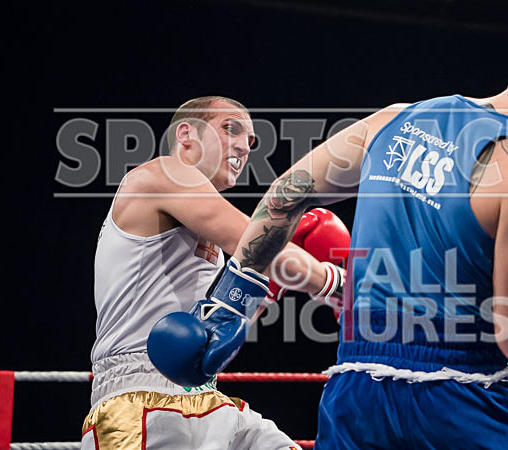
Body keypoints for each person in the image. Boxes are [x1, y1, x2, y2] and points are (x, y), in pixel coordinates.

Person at [195, 44, 508, 447]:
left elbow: (290, 190)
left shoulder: (396, 119)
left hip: (357, 391)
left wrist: (234, 297)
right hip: (464, 400)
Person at [82, 96, 348, 450]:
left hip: (206, 396)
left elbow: (223, 327)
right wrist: (338, 283)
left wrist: (269, 287)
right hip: (138, 401)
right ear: (187, 133)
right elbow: (253, 238)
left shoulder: (202, 232)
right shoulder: (161, 174)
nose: (244, 145)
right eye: (230, 128)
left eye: (251, 140)